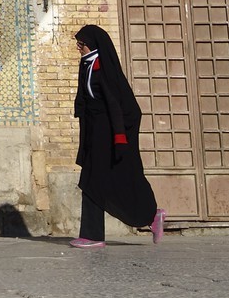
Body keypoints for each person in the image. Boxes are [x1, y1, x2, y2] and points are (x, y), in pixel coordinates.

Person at [71, 24, 166, 248]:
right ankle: (94, 234)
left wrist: (120, 137)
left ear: (93, 45)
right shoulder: (87, 65)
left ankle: (148, 216)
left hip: (109, 135)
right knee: (90, 182)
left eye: (82, 44)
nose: (79, 48)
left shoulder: (103, 69)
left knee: (115, 178)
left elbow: (116, 104)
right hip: (94, 135)